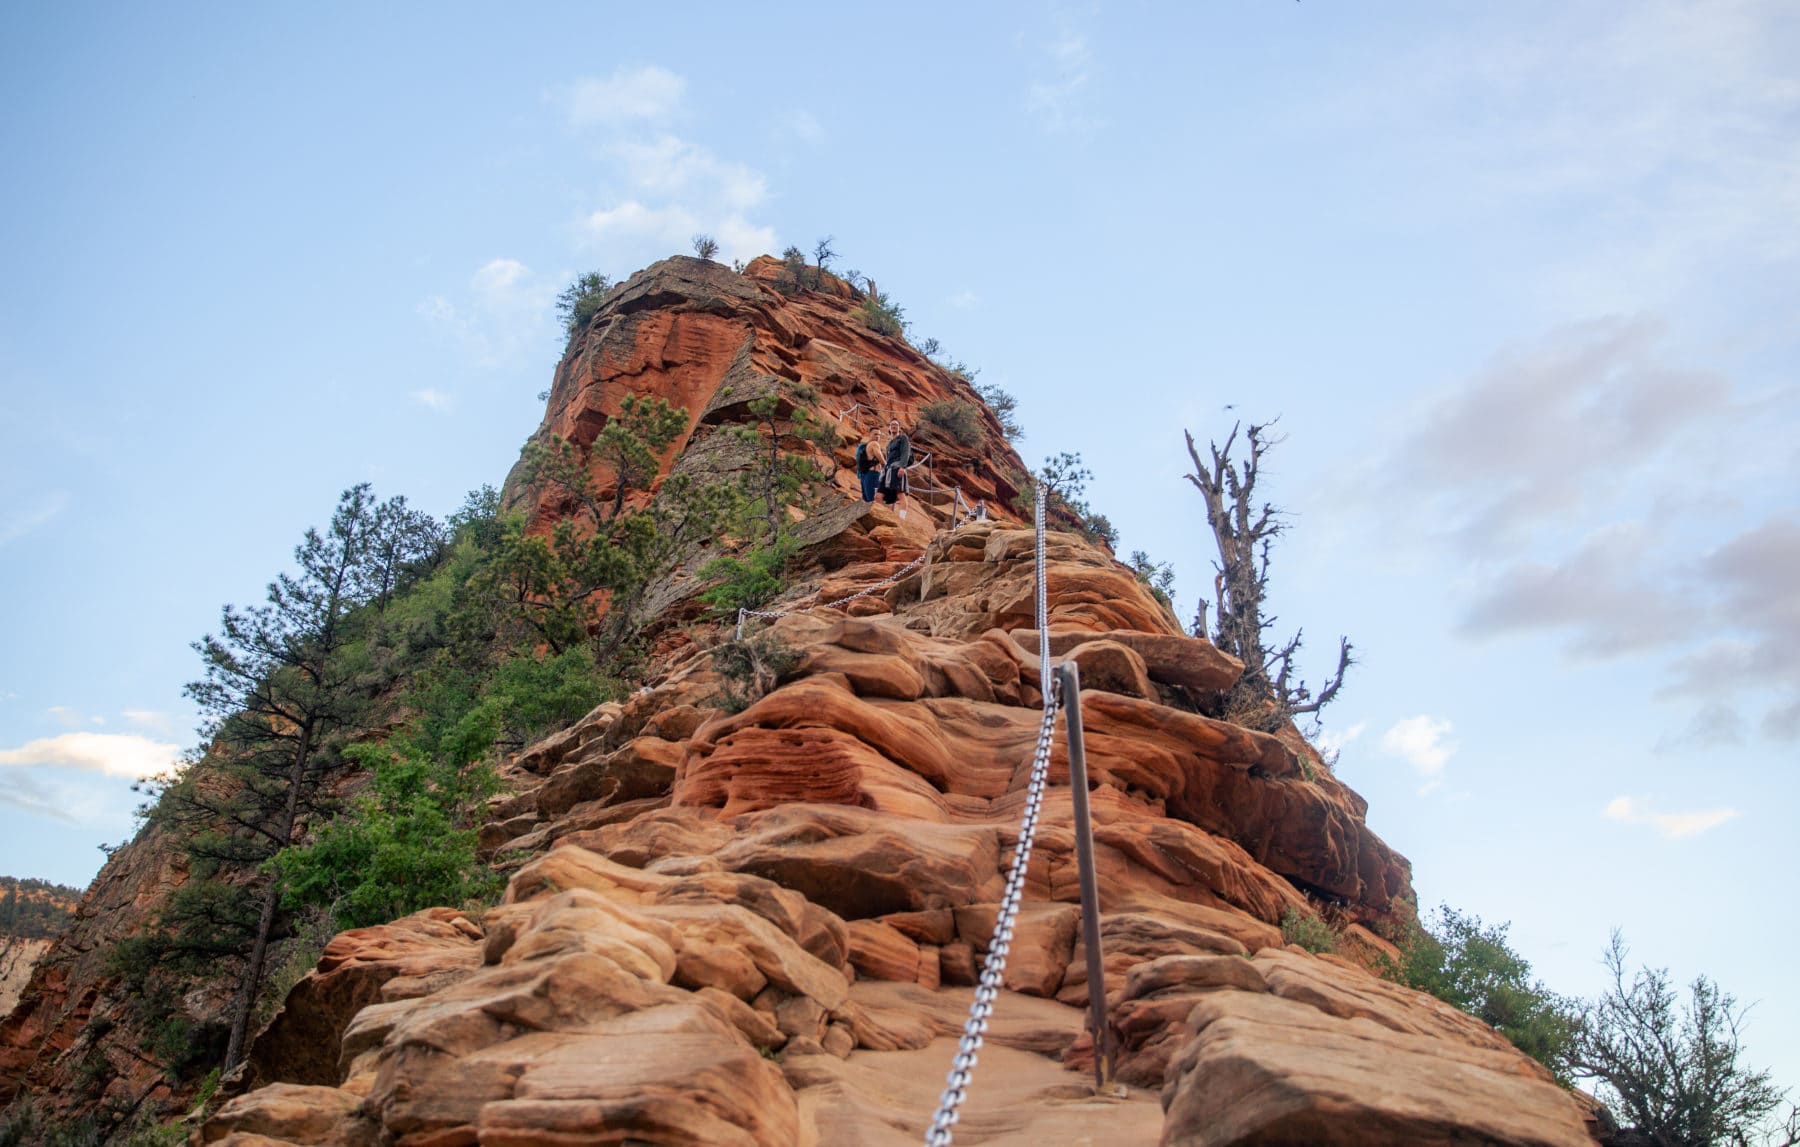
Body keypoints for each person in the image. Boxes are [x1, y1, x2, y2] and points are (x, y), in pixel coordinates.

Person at [879, 417, 913, 516]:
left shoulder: (903, 438)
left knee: (900, 493)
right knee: (879, 495)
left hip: (897, 467)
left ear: (899, 428)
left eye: (896, 425)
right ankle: (881, 516)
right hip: (888, 470)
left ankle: (902, 519)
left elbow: (905, 452)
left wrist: (902, 467)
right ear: (889, 428)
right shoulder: (889, 444)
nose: (894, 426)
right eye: (892, 425)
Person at [855, 430, 881, 502]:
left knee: (866, 500)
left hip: (864, 474)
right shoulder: (874, 444)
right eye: (875, 434)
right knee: (873, 500)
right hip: (873, 474)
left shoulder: (862, 447)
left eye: (879, 435)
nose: (878, 436)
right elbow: (881, 459)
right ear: (870, 434)